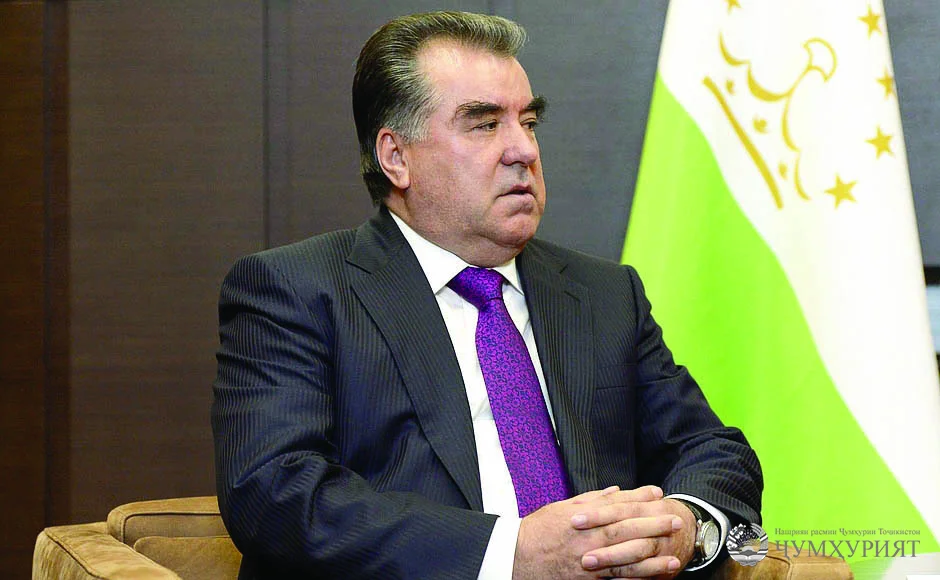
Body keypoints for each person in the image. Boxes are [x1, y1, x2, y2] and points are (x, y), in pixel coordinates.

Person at [212, 11, 762, 580]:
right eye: (483, 124)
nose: (523, 150)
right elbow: (274, 493)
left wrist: (688, 524)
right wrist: (509, 555)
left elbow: (714, 451)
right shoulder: (298, 292)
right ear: (396, 157)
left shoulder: (602, 295)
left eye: (529, 122)